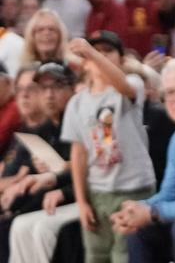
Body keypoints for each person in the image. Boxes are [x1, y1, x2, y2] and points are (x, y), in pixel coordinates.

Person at [63, 31, 156, 263]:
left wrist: (90, 52)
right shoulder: (76, 103)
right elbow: (78, 154)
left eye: (108, 51)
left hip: (134, 189)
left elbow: (123, 85)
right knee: (96, 255)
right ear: (84, 64)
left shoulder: (131, 85)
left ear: (121, 60)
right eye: (96, 51)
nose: (99, 56)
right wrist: (82, 201)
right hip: (97, 192)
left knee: (124, 256)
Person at [108, 58, 175, 263]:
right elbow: (169, 193)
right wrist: (136, 210)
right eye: (170, 92)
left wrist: (152, 211)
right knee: (139, 231)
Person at [6, 61, 78, 263]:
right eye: (44, 88)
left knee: (41, 229)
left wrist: (57, 176)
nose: (49, 94)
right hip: (57, 194)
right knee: (19, 224)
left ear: (72, 88)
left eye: (56, 86)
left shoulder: (80, 121)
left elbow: (91, 168)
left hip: (85, 196)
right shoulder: (45, 129)